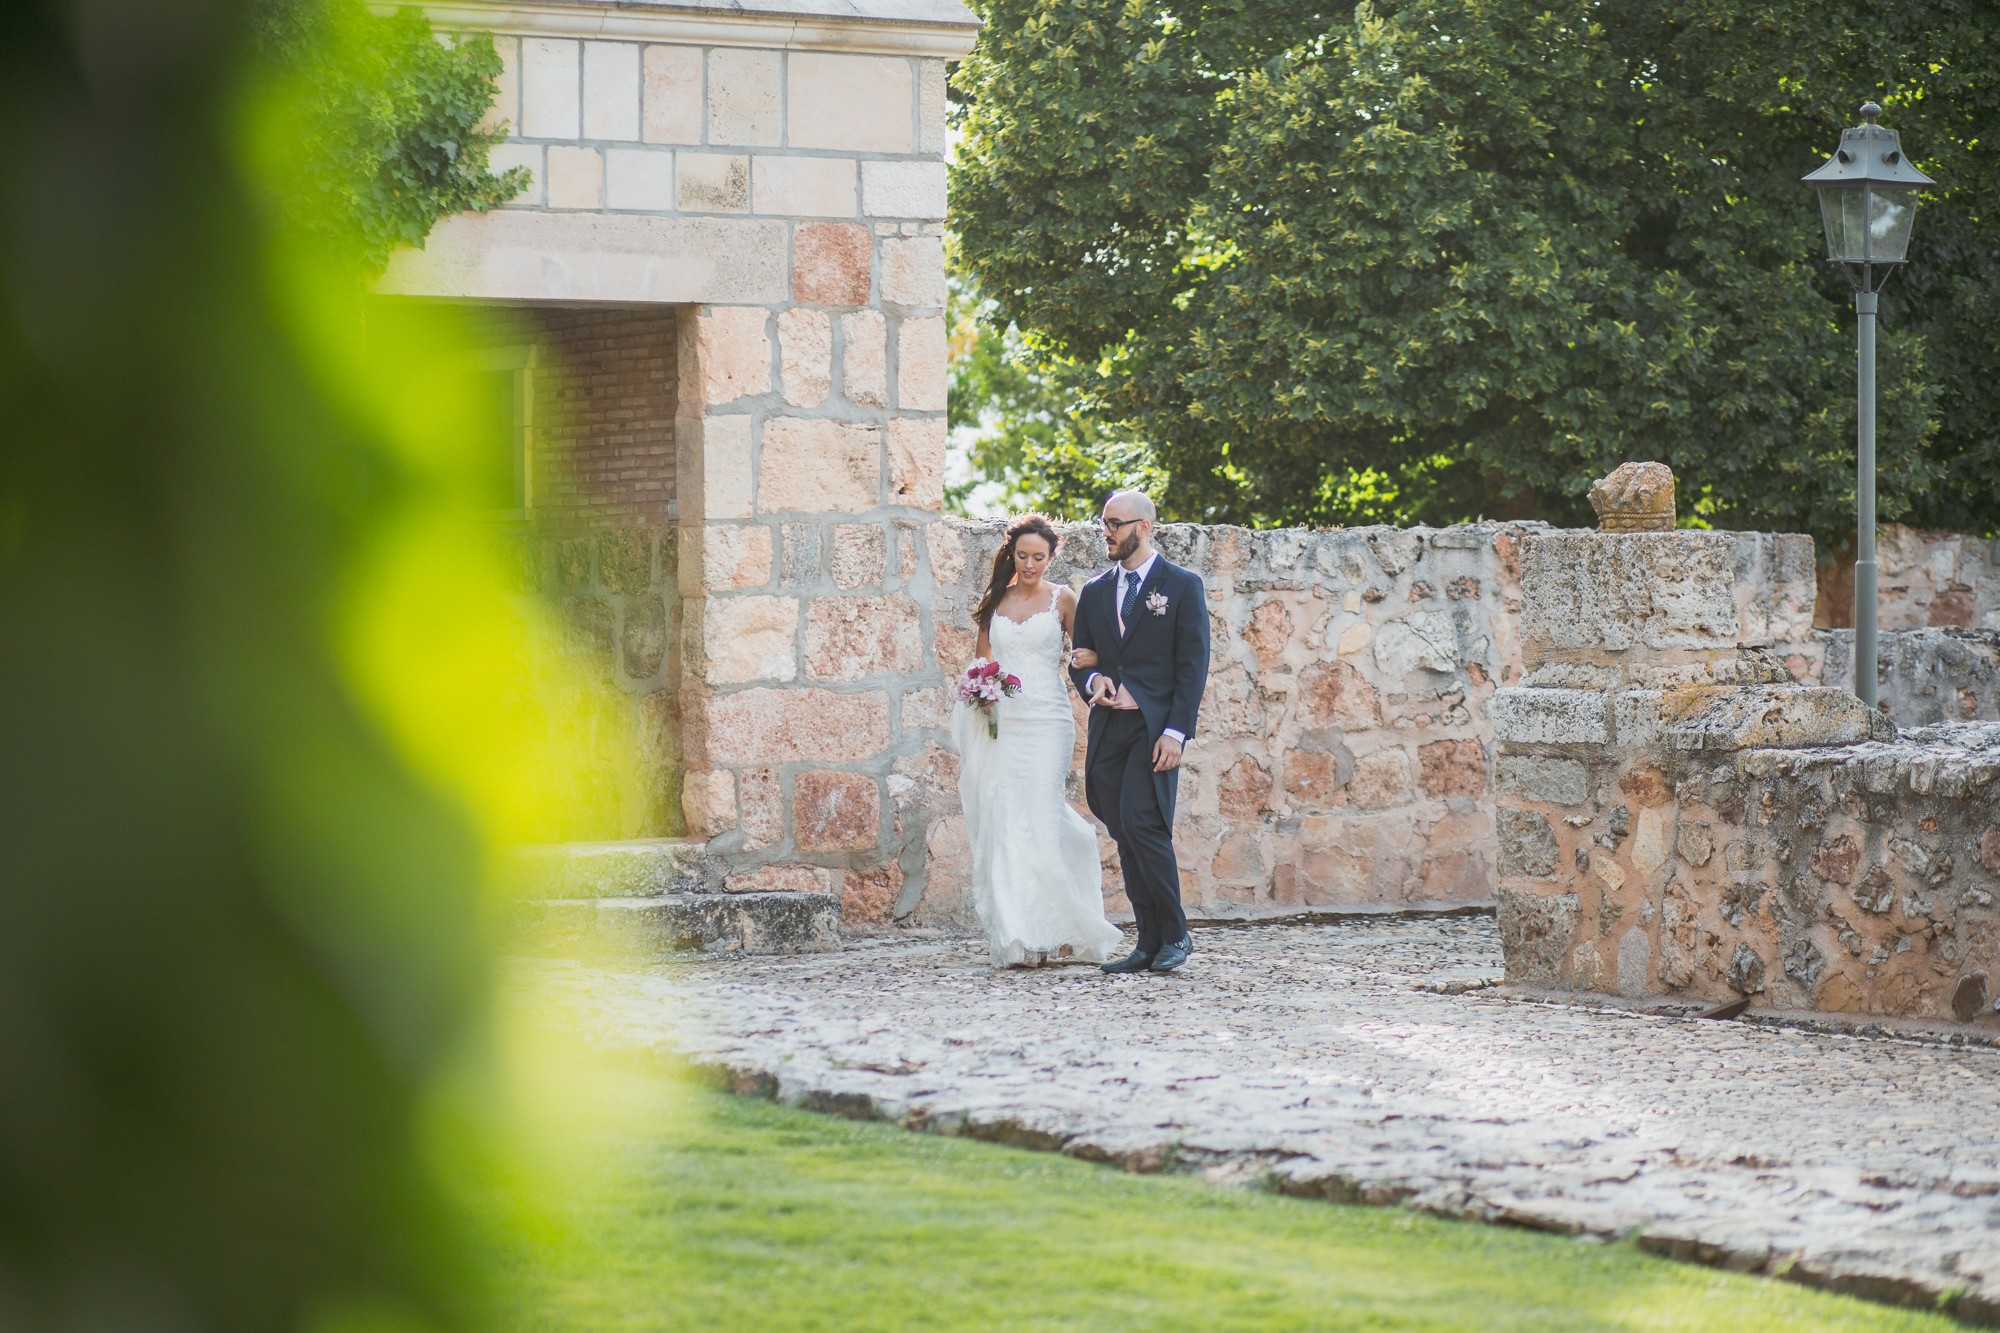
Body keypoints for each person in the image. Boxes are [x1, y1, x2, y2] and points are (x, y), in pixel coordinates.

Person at [951, 514, 1124, 969]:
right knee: (1007, 816)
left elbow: (1093, 649)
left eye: (1038, 557)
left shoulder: (1063, 598)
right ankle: (1019, 934)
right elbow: (981, 660)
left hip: (1048, 720)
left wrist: (1092, 659)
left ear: (1051, 557)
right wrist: (981, 688)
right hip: (1005, 722)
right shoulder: (996, 601)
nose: (1029, 564)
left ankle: (1061, 926)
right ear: (1012, 554)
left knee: (1043, 814)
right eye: (1022, 555)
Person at [1068, 491, 1211, 973]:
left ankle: (1176, 934)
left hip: (1154, 730)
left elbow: (1193, 666)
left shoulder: (1182, 586)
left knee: (1145, 826)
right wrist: (1093, 680)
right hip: (1110, 729)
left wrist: (1176, 731)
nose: (1105, 531)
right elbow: (1082, 658)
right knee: (1125, 828)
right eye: (1102, 523)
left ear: (1144, 527)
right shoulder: (1093, 591)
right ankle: (1148, 943)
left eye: (1114, 523)